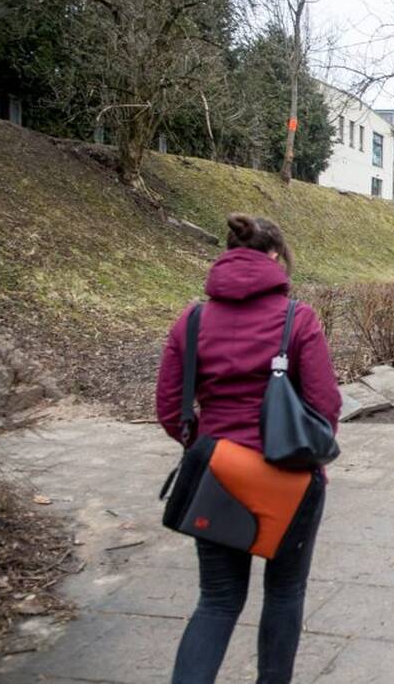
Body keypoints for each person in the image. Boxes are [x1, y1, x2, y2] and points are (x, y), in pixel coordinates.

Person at [155, 214, 341, 684]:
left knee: (217, 600)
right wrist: (312, 459)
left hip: (217, 475)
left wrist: (204, 447)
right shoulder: (297, 318)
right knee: (284, 593)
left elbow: (169, 408)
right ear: (275, 256)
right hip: (289, 480)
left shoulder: (192, 321)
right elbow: (325, 405)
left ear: (229, 252)